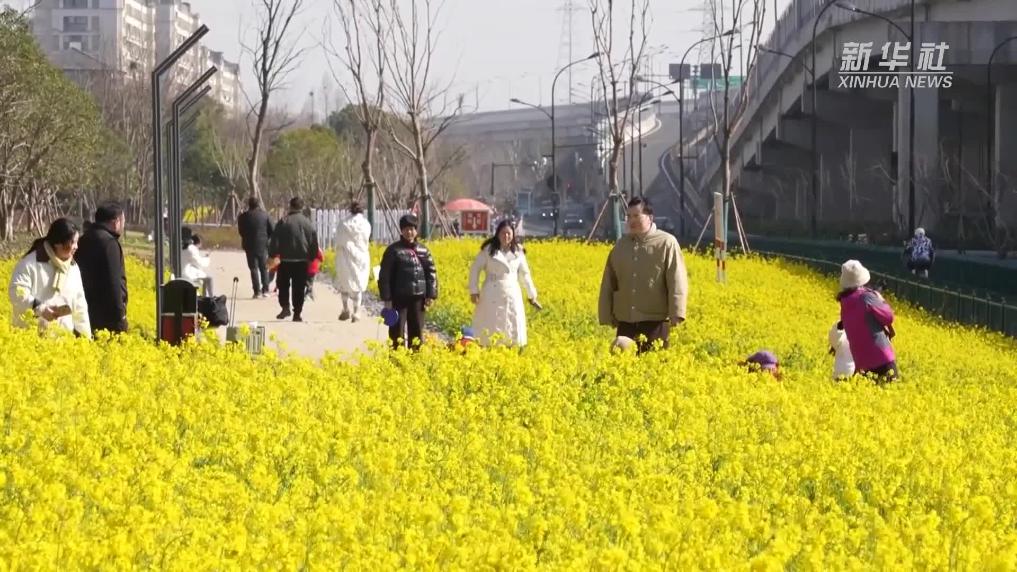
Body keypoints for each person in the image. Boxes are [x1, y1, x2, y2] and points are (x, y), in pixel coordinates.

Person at [598, 197, 689, 354]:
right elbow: (609, 282)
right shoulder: (620, 246)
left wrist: (677, 313)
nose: (631, 221)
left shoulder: (666, 243)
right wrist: (606, 314)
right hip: (626, 322)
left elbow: (677, 280)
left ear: (650, 217)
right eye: (628, 216)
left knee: (654, 370)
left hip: (655, 323)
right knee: (625, 371)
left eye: (636, 216)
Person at [8, 218, 91, 338]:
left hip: (63, 341)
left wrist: (85, 338)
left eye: (77, 242)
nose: (76, 247)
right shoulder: (30, 264)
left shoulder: (73, 268)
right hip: (31, 339)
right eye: (73, 242)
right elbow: (16, 292)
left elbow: (80, 305)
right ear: (58, 243)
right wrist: (40, 309)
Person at [468, 219, 538, 348]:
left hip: (512, 291)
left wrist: (531, 294)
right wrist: (474, 291)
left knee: (511, 323)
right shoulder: (488, 251)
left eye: (509, 234)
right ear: (497, 234)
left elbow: (525, 274)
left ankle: (511, 350)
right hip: (491, 291)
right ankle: (489, 348)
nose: (506, 237)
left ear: (513, 235)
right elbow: (475, 270)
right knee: (491, 323)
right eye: (503, 233)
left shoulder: (518, 252)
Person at [378, 214, 438, 350]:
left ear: (416, 231)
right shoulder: (393, 250)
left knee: (416, 331)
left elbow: (431, 273)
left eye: (412, 229)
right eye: (406, 229)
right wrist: (387, 298)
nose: (409, 232)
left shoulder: (424, 250)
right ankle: (396, 360)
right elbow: (384, 276)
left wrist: (430, 295)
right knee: (396, 332)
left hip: (418, 298)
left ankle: (415, 360)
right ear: (401, 231)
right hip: (398, 298)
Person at [837, 260, 899, 382]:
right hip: (881, 358)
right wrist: (880, 299)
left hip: (862, 363)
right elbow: (888, 317)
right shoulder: (866, 297)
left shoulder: (845, 302)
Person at [75, 202, 128, 335]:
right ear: (116, 222)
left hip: (84, 311)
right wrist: (120, 316)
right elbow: (114, 281)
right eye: (123, 221)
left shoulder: (83, 239)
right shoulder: (109, 243)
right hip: (107, 316)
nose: (123, 225)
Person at [268, 197, 319, 322]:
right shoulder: (307, 223)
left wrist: (273, 254)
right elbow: (313, 242)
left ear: (290, 206)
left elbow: (274, 240)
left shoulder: (283, 221)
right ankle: (297, 313)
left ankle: (285, 307)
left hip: (285, 260)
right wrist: (311, 257)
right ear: (301, 207)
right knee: (299, 288)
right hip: (302, 260)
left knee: (283, 285)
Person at [335, 202, 372, 322]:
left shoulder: (343, 223)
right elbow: (367, 239)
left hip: (345, 255)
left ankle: (345, 309)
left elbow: (338, 239)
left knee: (344, 282)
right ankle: (356, 312)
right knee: (358, 283)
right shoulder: (366, 224)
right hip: (361, 256)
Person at [237, 196, 274, 298]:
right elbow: (272, 229)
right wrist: (266, 238)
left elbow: (241, 231)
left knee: (253, 268)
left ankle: (256, 291)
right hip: (263, 245)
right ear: (258, 204)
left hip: (249, 245)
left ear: (249, 204)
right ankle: (265, 290)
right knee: (264, 267)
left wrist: (247, 238)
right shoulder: (265, 216)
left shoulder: (243, 216)